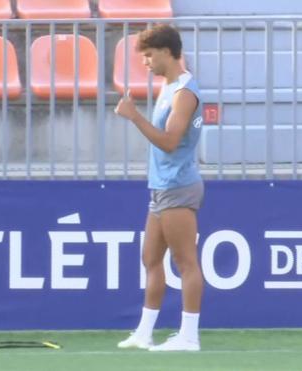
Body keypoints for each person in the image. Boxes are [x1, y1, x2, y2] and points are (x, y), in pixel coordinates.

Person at [114, 24, 205, 352]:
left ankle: (189, 336)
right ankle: (144, 332)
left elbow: (169, 142)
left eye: (150, 55)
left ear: (168, 52)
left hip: (178, 187)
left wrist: (134, 117)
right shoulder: (170, 86)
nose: (146, 62)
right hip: (162, 185)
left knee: (186, 262)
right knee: (151, 258)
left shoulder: (184, 93)